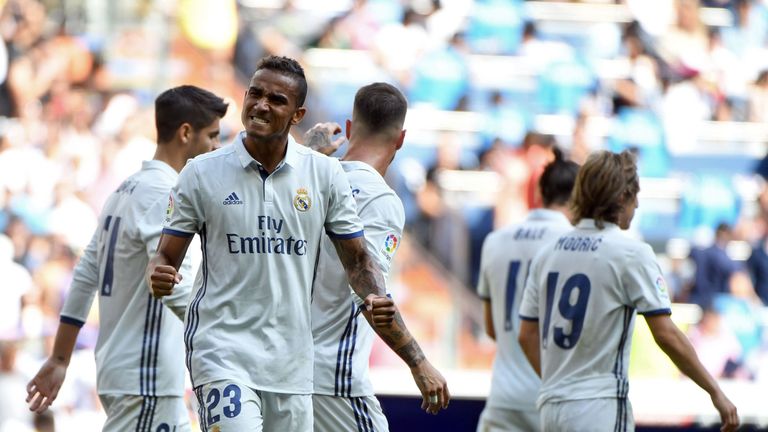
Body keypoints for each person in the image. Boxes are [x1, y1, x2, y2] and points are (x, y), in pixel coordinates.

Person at [146, 56, 397, 432]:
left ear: (298, 114)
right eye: (256, 94)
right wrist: (158, 273)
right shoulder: (201, 173)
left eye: (277, 100)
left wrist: (374, 295)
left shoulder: (325, 174)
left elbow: (358, 260)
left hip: (292, 365)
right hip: (222, 354)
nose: (261, 105)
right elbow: (165, 255)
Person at [25, 85, 229, 430]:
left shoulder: (124, 191)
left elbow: (86, 274)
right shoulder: (163, 193)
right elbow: (169, 284)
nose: (216, 147)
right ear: (185, 133)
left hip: (131, 374)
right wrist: (223, 340)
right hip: (145, 376)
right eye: (212, 136)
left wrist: (61, 357)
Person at [517, 150, 740, 432]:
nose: (636, 206)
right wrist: (714, 391)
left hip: (551, 407)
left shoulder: (547, 253)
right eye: (635, 196)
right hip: (600, 407)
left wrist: (558, 385)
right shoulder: (631, 253)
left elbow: (526, 335)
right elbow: (666, 334)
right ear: (622, 197)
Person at [304, 82, 450, 432]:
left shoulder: (306, 179)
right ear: (400, 139)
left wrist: (308, 155)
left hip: (282, 372)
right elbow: (371, 295)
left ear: (350, 127)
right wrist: (419, 363)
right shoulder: (380, 201)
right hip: (333, 378)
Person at [475, 148, 579, 432]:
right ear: (581, 199)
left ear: (540, 194)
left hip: (503, 398)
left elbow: (492, 328)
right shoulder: (578, 246)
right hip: (553, 398)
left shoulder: (495, 241)